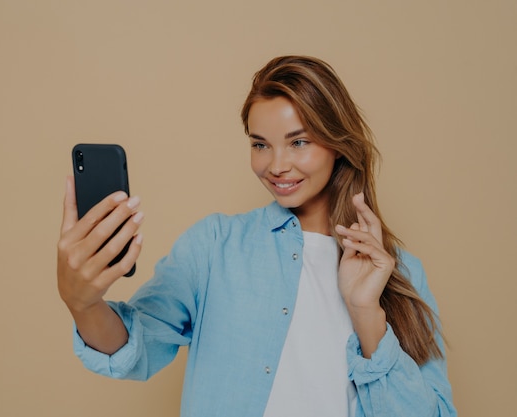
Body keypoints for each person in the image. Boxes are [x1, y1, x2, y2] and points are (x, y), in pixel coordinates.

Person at [57, 55, 457, 417]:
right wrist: (84, 303)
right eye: (260, 145)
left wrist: (367, 313)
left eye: (298, 142)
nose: (276, 165)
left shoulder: (398, 272)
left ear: (339, 144)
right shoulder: (215, 246)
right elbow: (136, 347)